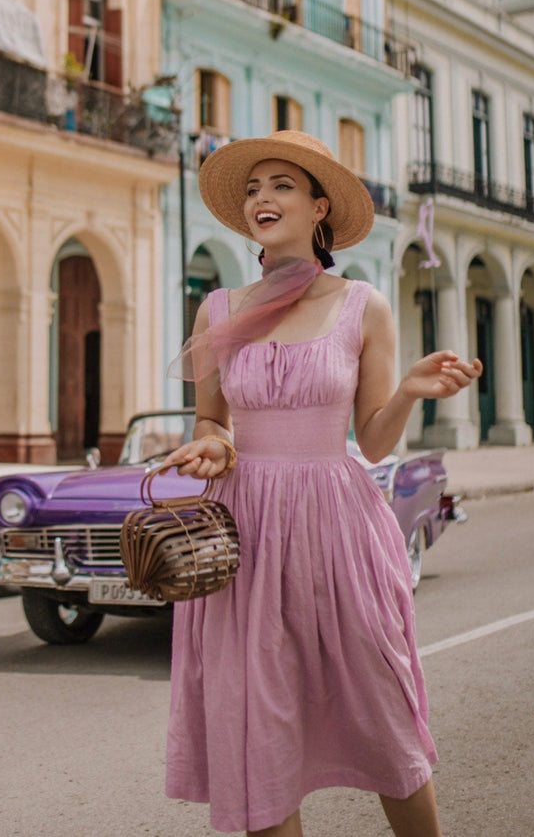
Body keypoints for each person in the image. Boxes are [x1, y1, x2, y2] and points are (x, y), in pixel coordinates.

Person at [161, 131, 481, 837]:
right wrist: (212, 450)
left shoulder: (362, 305)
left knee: (380, 704)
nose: (261, 199)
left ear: (318, 206)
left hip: (337, 523)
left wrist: (408, 391)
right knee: (259, 723)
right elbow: (212, 420)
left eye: (279, 184)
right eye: (252, 188)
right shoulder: (217, 310)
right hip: (244, 528)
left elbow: (370, 439)